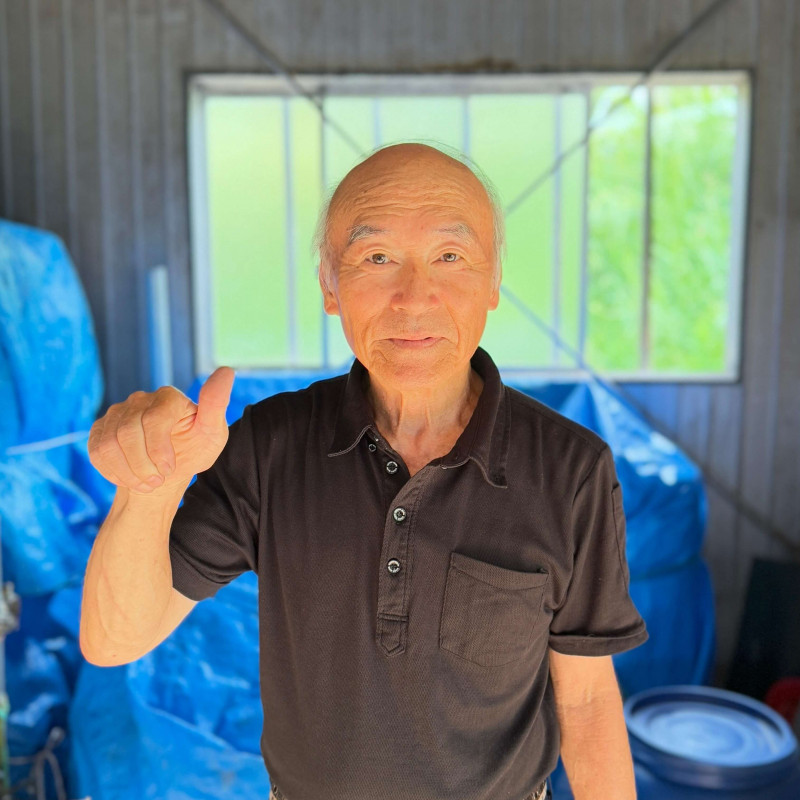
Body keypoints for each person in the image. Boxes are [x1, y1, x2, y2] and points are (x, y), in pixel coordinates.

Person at [80, 142, 648, 800]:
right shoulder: (270, 446)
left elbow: (585, 701)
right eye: (377, 257)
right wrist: (150, 486)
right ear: (330, 285)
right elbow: (112, 642)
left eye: (450, 256)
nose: (414, 296)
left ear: (492, 282)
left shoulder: (570, 470)